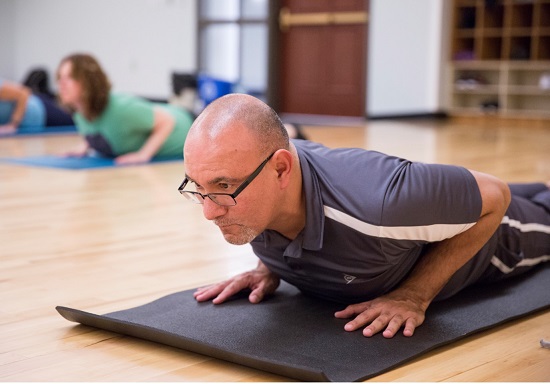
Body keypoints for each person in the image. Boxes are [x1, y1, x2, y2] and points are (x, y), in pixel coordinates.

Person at [180, 93, 550, 339]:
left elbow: (494, 195)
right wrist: (268, 268)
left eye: (224, 187)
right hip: (422, 209)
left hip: (503, 236)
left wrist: (414, 295)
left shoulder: (382, 204)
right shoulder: (254, 184)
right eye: (197, 187)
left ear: (281, 171)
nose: (209, 212)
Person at [56, 53, 194, 165]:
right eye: (60, 77)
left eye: (70, 77)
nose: (62, 84)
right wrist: (85, 146)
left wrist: (143, 155)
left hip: (188, 124)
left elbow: (166, 121)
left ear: (88, 81)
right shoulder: (79, 112)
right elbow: (100, 129)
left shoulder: (121, 108)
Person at [0, 78, 74, 135]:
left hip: (40, 111)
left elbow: (23, 93)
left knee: (73, 121)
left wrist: (13, 124)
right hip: (29, 126)